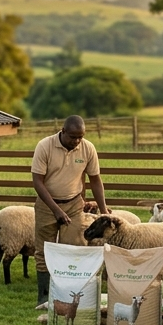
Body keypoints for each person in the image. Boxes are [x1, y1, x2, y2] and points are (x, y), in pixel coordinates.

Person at [30, 115, 108, 305]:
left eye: (80, 137)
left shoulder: (87, 148)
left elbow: (95, 180)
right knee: (44, 250)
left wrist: (103, 211)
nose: (77, 141)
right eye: (73, 137)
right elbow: (37, 182)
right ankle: (44, 296)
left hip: (74, 203)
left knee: (74, 247)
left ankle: (68, 291)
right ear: (63, 131)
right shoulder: (45, 146)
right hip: (47, 204)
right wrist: (55, 210)